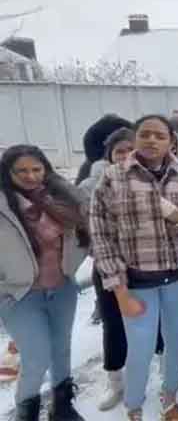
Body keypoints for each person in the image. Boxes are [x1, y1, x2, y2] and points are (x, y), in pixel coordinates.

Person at [90, 115, 178, 421]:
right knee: (141, 346)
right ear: (135, 139)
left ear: (171, 141)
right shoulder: (113, 178)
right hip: (137, 280)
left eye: (159, 135)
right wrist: (120, 291)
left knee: (176, 339)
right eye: (145, 134)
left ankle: (170, 398)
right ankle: (134, 406)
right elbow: (102, 237)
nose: (151, 140)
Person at [0, 145, 90, 421]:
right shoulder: (3, 206)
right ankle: (26, 412)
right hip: (20, 296)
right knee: (36, 357)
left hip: (62, 289)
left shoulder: (61, 200)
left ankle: (62, 407)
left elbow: (85, 232)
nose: (30, 176)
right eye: (21, 171)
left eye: (36, 169)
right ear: (7, 173)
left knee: (61, 350)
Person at [79, 128, 136, 411]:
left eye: (130, 150)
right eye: (119, 151)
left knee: (151, 322)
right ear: (109, 155)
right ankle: (115, 382)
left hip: (145, 266)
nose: (125, 156)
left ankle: (163, 374)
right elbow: (82, 228)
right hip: (107, 266)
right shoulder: (92, 185)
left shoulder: (153, 178)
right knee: (113, 324)